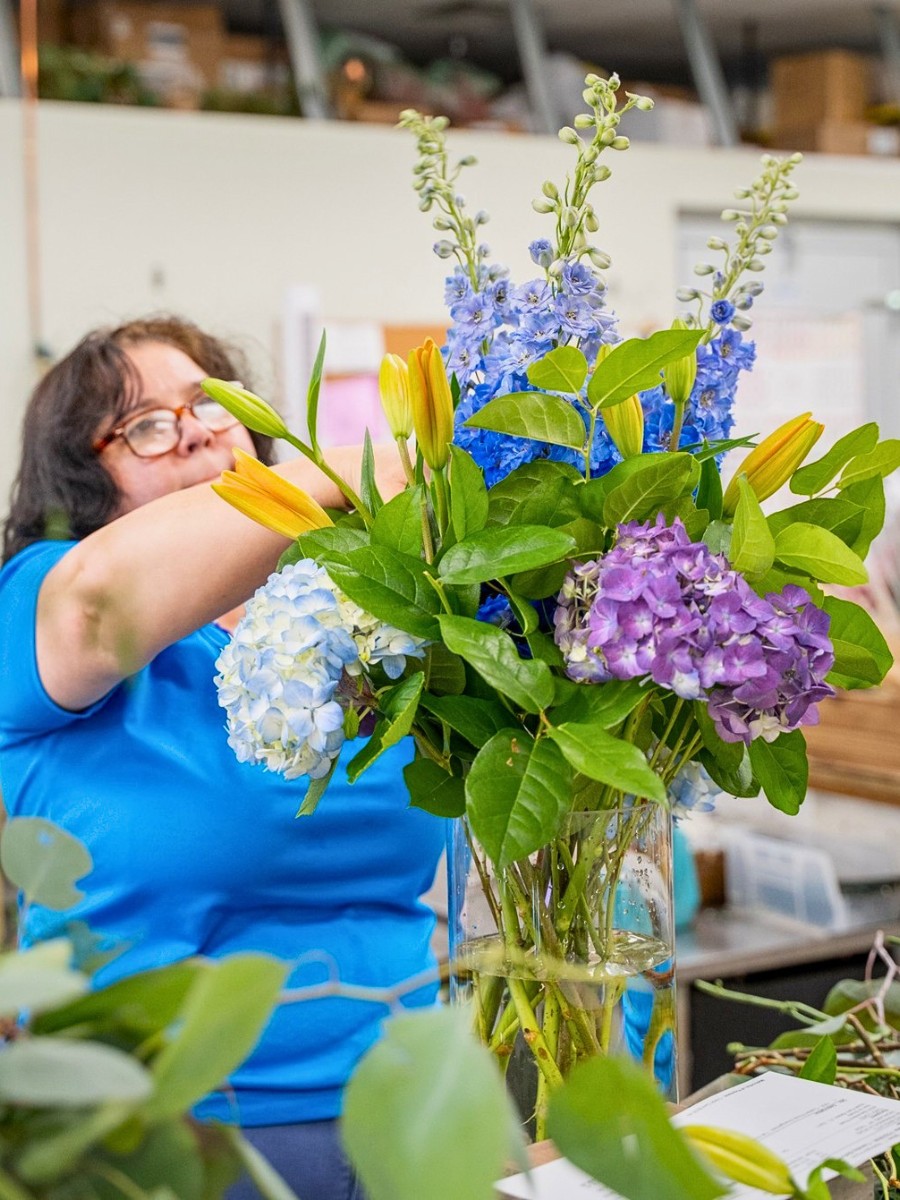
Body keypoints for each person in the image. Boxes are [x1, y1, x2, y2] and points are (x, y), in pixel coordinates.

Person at [0, 316, 444, 1200]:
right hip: (158, 1136)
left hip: (407, 1116)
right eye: (145, 426)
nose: (197, 430)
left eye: (209, 403)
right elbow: (97, 603)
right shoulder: (41, 604)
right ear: (84, 480)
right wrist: (362, 469)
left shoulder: (354, 607)